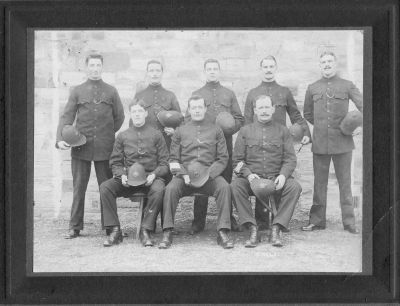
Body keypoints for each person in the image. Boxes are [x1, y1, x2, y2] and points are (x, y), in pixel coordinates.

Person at [56, 53, 125, 239]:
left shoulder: (111, 91)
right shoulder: (77, 91)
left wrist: (106, 134)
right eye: (92, 65)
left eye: (98, 65)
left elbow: (119, 117)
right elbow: (67, 117)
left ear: (102, 67)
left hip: (104, 148)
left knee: (106, 187)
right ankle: (74, 226)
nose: (95, 68)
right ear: (86, 67)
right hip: (81, 147)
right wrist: (60, 138)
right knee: (79, 187)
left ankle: (110, 226)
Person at [243, 55, 310, 230]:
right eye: (265, 66)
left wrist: (306, 133)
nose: (268, 69)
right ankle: (263, 223)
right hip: (258, 145)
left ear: (276, 68)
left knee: (281, 180)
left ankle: (278, 224)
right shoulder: (253, 93)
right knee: (260, 182)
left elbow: (296, 115)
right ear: (261, 69)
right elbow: (247, 122)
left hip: (280, 144)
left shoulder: (284, 92)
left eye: (271, 66)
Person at [159, 95, 233, 249]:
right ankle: (167, 231)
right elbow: (173, 159)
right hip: (185, 177)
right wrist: (183, 174)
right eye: (194, 108)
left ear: (205, 109)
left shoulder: (216, 130)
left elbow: (222, 158)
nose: (197, 110)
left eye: (200, 107)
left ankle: (223, 231)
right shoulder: (180, 131)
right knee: (170, 189)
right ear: (189, 110)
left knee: (224, 187)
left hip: (209, 177)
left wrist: (209, 174)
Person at [302, 51, 363, 234]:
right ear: (319, 66)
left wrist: (359, 126)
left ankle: (349, 222)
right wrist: (321, 127)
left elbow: (366, 106)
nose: (327, 65)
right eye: (323, 62)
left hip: (343, 142)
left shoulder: (347, 85)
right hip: (320, 143)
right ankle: (317, 221)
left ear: (336, 65)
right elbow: (307, 114)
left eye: (330, 61)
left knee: (345, 183)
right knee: (319, 184)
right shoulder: (313, 87)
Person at [231, 95, 301, 247]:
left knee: (294, 187)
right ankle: (252, 227)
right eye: (260, 108)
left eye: (267, 107)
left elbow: (290, 159)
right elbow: (237, 161)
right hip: (252, 179)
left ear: (273, 109)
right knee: (235, 186)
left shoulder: (283, 131)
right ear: (255, 110)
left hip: (275, 177)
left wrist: (283, 175)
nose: (264, 111)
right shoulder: (245, 131)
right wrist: (248, 175)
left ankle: (277, 227)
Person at [99, 101, 169, 247]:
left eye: (140, 111)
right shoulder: (123, 136)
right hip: (129, 180)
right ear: (131, 114)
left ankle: (146, 229)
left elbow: (164, 163)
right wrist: (121, 175)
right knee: (105, 187)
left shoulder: (156, 134)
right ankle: (115, 230)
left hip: (150, 178)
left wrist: (154, 175)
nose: (137, 114)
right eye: (134, 112)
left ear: (145, 113)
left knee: (159, 189)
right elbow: (115, 162)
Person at [188, 58, 244, 234]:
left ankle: (227, 219)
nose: (212, 71)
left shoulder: (228, 93)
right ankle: (198, 221)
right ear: (204, 72)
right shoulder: (197, 93)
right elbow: (187, 119)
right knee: (200, 179)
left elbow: (240, 119)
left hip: (224, 145)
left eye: (215, 69)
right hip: (201, 147)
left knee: (225, 182)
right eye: (209, 69)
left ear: (219, 71)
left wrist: (228, 128)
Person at [133, 60, 181, 148]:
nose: (154, 74)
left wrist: (174, 131)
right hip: (145, 143)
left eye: (158, 71)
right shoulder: (139, 95)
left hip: (166, 143)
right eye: (151, 71)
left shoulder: (170, 95)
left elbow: (180, 120)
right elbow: (132, 120)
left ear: (162, 73)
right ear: (147, 73)